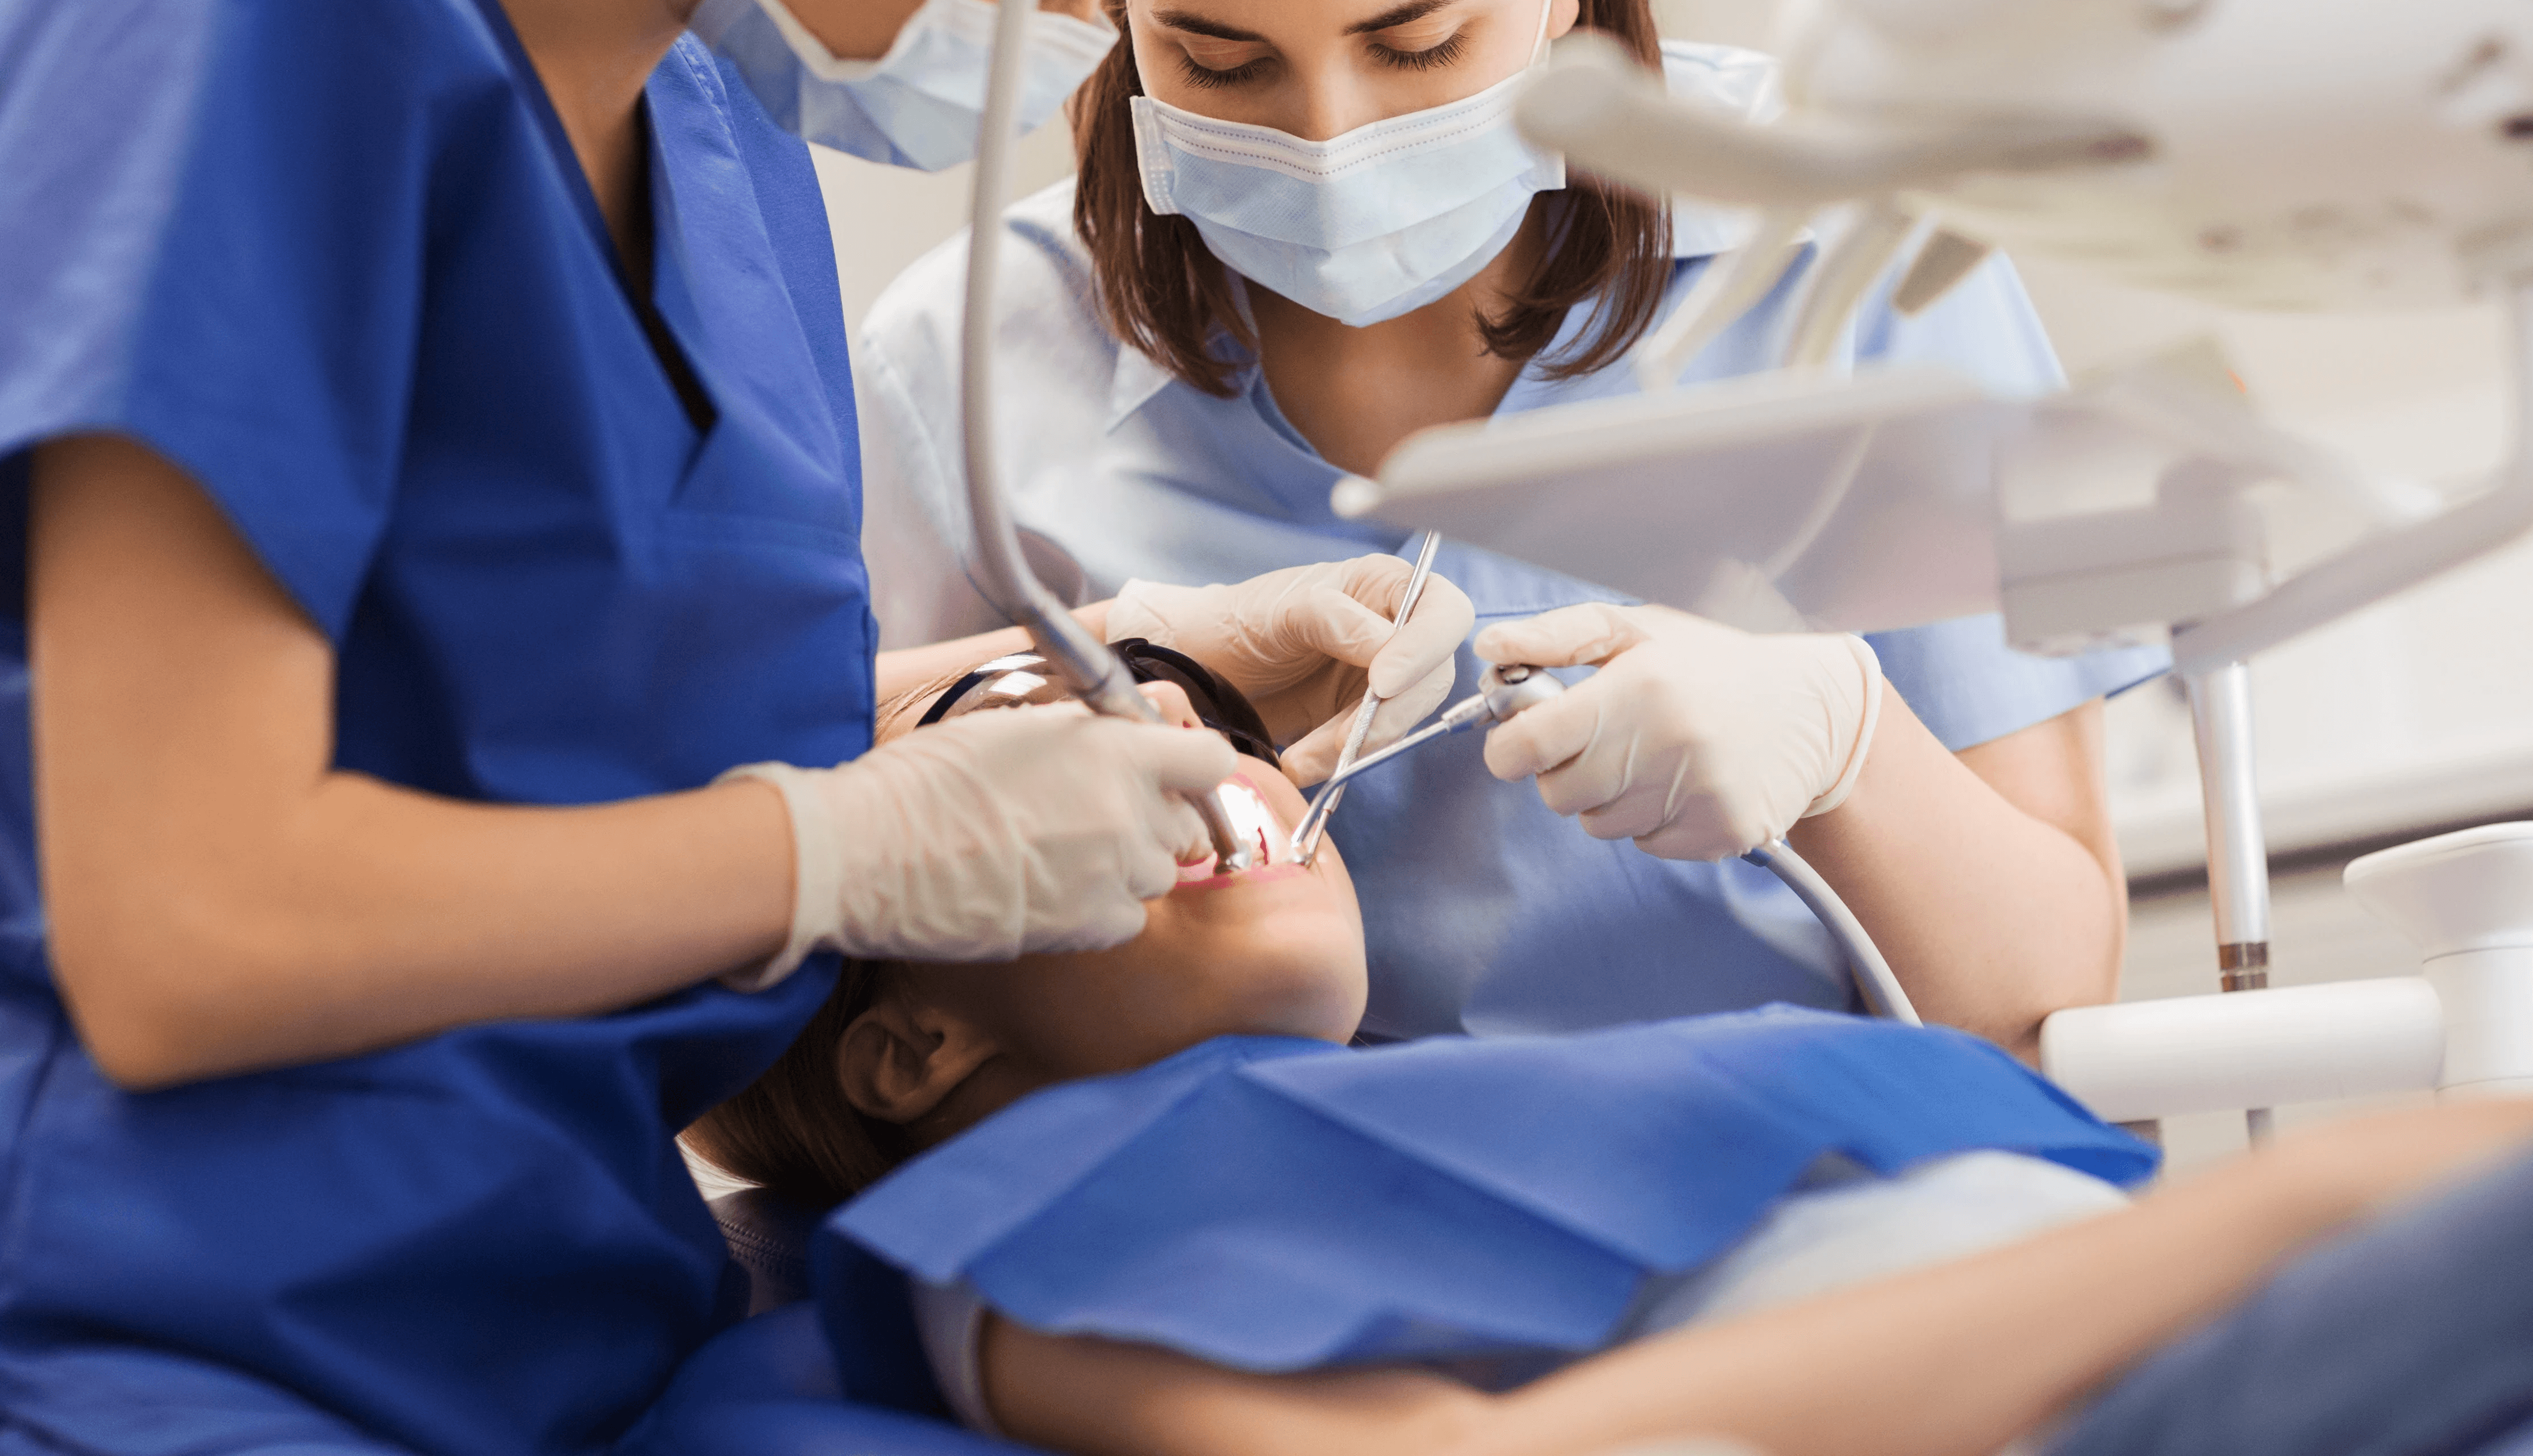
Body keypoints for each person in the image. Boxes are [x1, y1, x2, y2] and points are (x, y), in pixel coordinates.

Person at [0, 2, 1471, 1454]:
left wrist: (1120, 649)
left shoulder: (728, 145)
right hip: (163, 1331)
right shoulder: (242, 46)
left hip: (583, 1337)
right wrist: (845, 846)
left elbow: (585, 704)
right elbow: (181, 925)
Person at [682, 659, 2533, 1456]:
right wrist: (2294, 1206)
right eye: (1022, 717)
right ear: (910, 1047)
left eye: (1159, 694)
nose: (1163, 715)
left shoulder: (1387, 1099)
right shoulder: (1004, 1238)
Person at [852, 0, 2173, 1058]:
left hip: (1826, 1184)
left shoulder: (1856, 237)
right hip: (1304, 1216)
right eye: (1220, 57)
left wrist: (1851, 746)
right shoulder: (965, 365)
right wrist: (1117, 655)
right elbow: (813, 945)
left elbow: (2044, 999)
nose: (1333, 141)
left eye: (1415, 39)